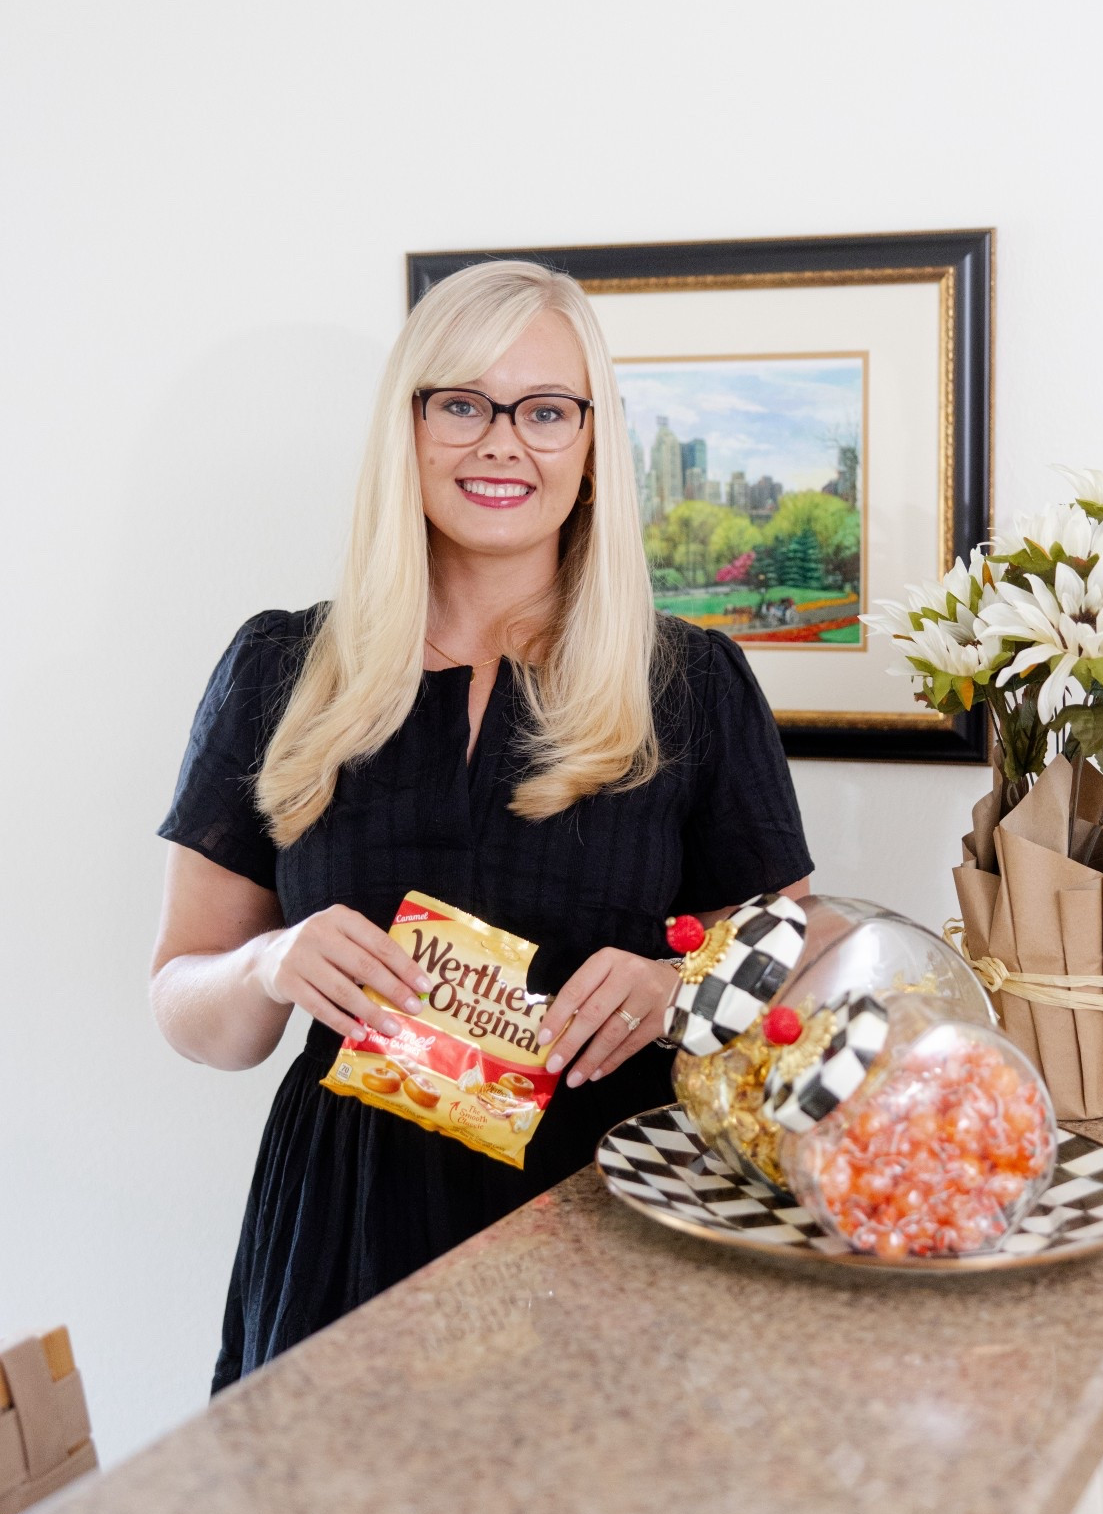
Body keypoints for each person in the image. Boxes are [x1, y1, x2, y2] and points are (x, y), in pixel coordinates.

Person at [150, 260, 813, 1391]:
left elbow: (796, 973)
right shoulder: (278, 669)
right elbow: (187, 1003)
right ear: (407, 428)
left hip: (613, 1220)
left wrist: (674, 990)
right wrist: (268, 963)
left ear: (592, 443)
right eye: (461, 404)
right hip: (342, 1236)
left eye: (545, 411)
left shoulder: (690, 684)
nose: (502, 443)